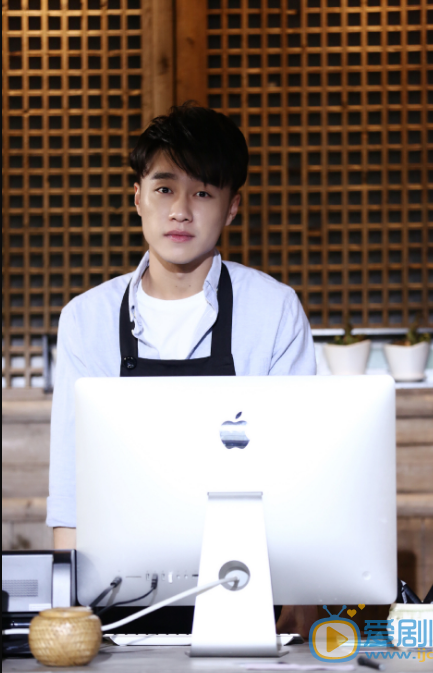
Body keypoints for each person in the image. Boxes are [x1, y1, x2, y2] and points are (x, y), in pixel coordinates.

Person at [47, 102, 317, 633]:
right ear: (138, 197)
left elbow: (298, 468)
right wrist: (66, 606)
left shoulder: (273, 309)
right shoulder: (87, 319)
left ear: (232, 207)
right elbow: (72, 482)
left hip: (245, 586)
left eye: (203, 193)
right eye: (165, 189)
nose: (180, 211)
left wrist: (302, 596)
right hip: (116, 593)